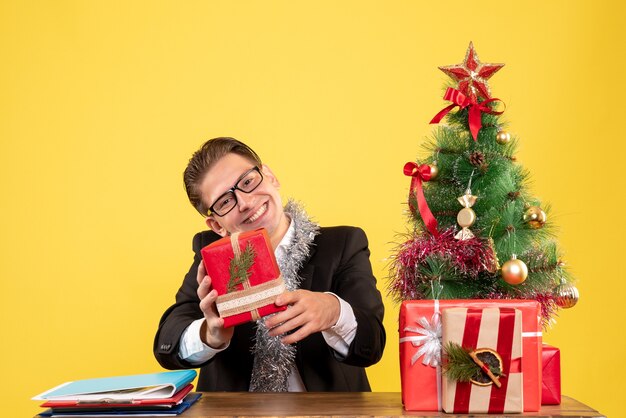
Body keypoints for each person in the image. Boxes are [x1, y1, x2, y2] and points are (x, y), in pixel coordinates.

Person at [154, 137, 385, 391]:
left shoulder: (343, 244)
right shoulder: (210, 254)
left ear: (270, 176)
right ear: (218, 226)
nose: (245, 202)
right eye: (224, 202)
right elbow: (167, 341)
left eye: (247, 182)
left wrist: (334, 311)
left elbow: (372, 344)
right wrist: (210, 334)